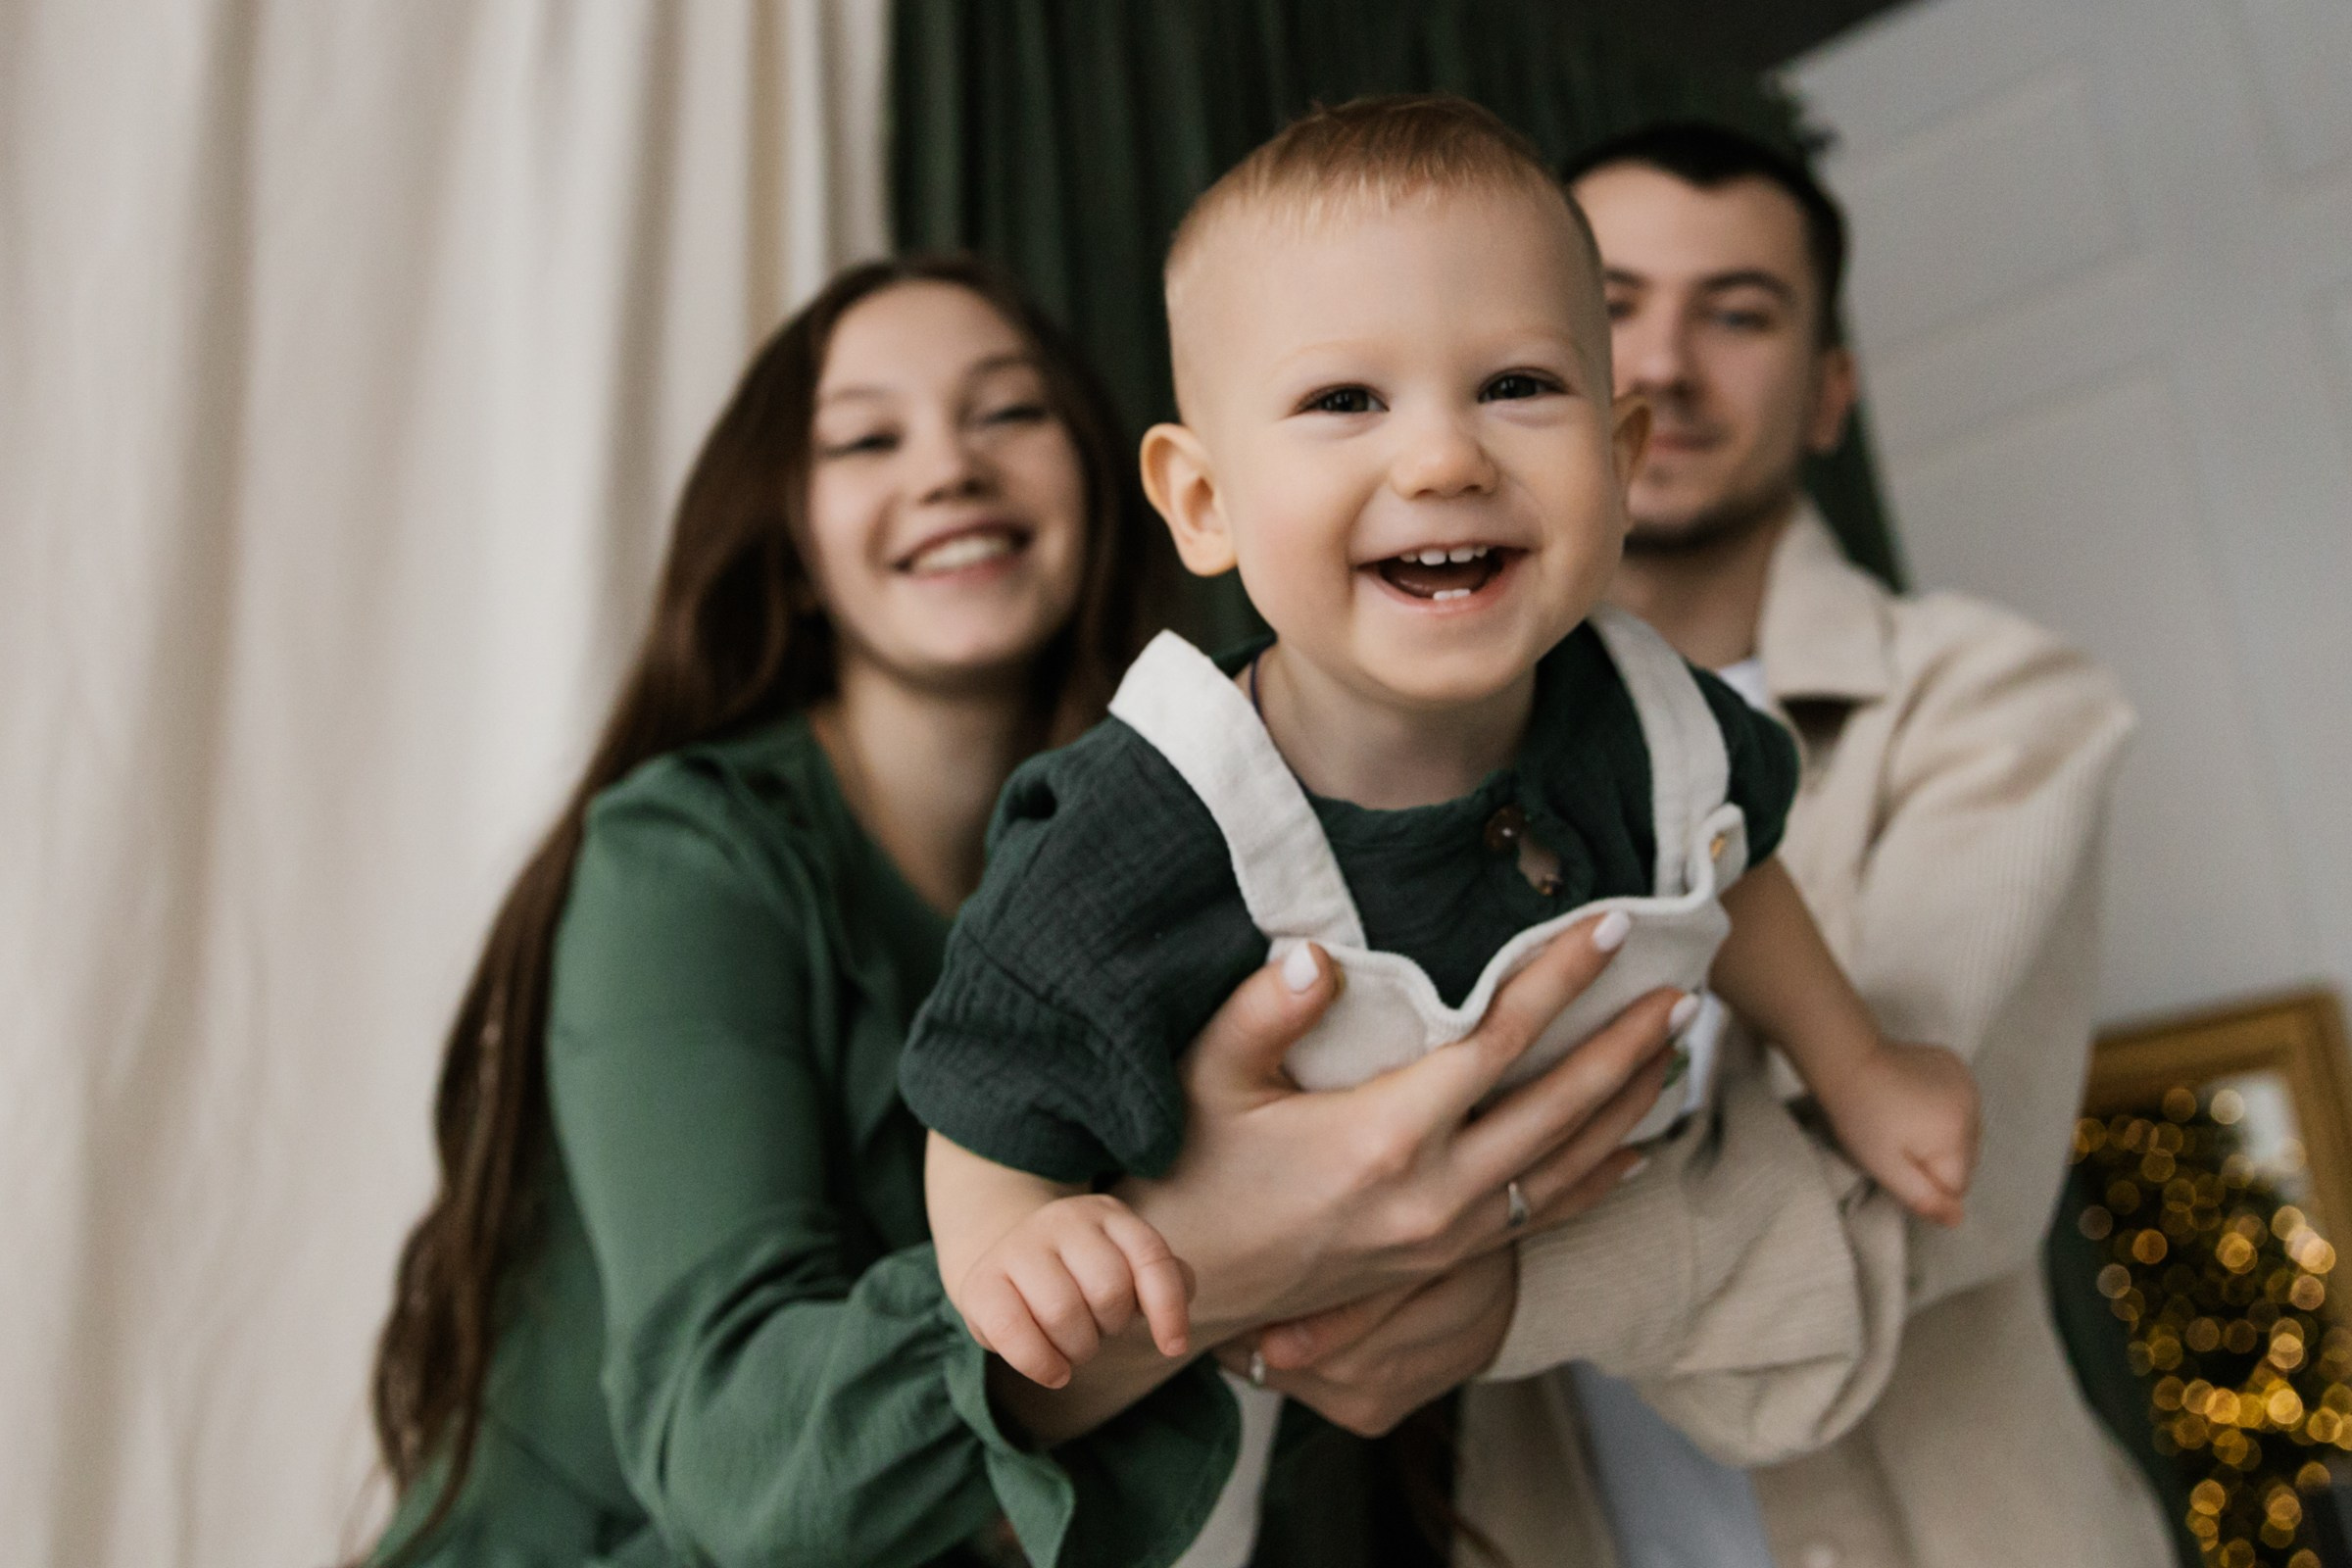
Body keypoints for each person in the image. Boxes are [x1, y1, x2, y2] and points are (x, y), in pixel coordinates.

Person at [359, 251, 1687, 1568]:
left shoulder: (1219, 829)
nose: (950, 469)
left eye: (1007, 413)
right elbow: (739, 1473)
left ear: (1130, 496)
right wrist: (1216, 1248)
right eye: (868, 439)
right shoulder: (686, 863)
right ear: (795, 547)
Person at [898, 96, 1977, 1404]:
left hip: (1600, 1336)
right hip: (1238, 1367)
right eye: (1343, 398)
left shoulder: (1656, 715)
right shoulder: (1140, 820)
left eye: (1517, 386)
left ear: (1620, 461)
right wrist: (1011, 1232)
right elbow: (987, 1083)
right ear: (1204, 500)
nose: (1443, 455)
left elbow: (1733, 870)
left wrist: (1852, 1065)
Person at [1554, 121, 2171, 1565]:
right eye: (1609, 306)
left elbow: (1904, 1216)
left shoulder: (1999, 696)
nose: (1663, 366)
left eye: (1741, 313)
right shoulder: (1411, 758)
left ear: (1832, 392)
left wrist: (1449, 1290)